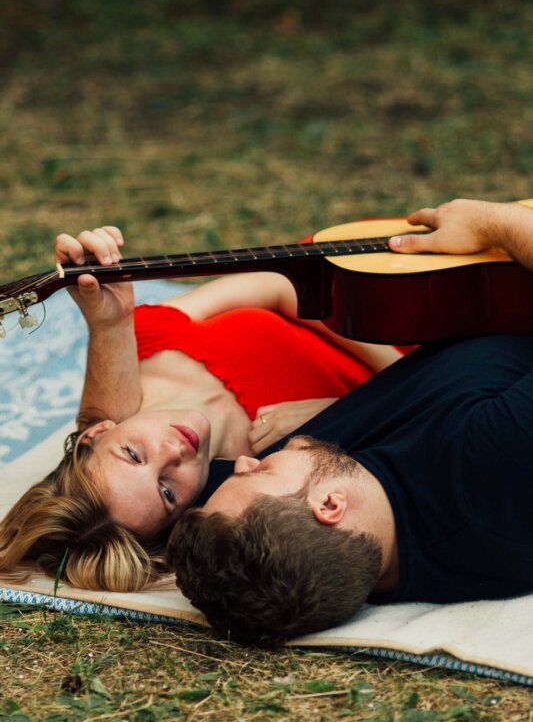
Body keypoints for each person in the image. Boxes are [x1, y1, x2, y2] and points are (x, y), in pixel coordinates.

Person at [167, 197, 533, 646]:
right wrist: (497, 222)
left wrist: (109, 323)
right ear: (329, 506)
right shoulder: (499, 464)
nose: (242, 461)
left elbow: (124, 478)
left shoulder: (303, 534)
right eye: (262, 470)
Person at [0, 226, 400, 592]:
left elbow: (277, 284)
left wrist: (393, 370)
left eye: (133, 454)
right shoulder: (275, 463)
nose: (174, 454)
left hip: (342, 273)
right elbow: (421, 414)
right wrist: (372, 391)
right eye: (167, 491)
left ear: (98, 432)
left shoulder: (144, 340)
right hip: (412, 336)